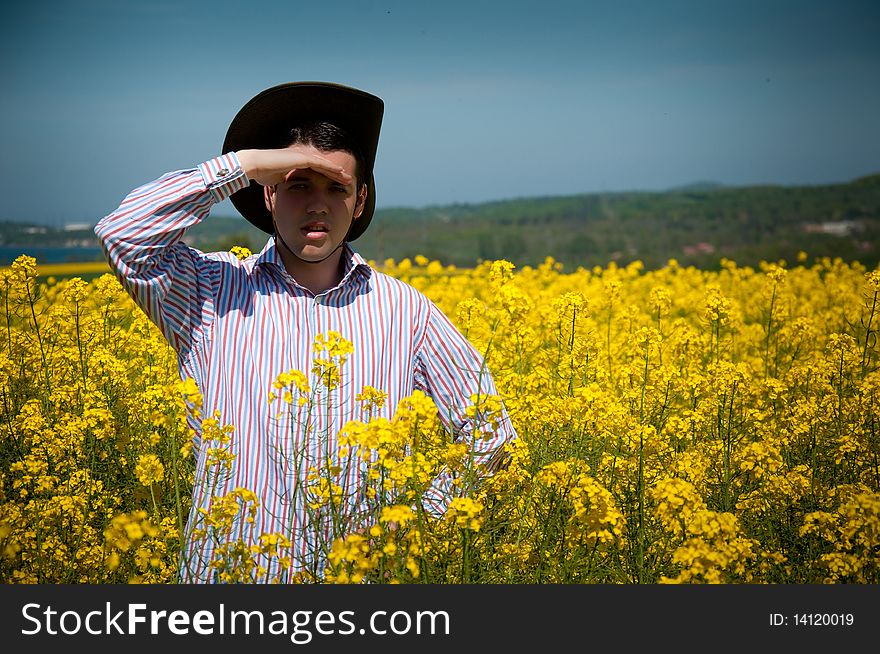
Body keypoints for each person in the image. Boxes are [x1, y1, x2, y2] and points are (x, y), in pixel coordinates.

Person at [95, 81, 517, 583]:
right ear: (268, 194)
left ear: (359, 202)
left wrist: (413, 520)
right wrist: (245, 166)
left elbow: (493, 438)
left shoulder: (406, 311)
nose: (318, 204)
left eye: (336, 188)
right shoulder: (209, 293)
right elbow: (124, 234)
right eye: (298, 185)